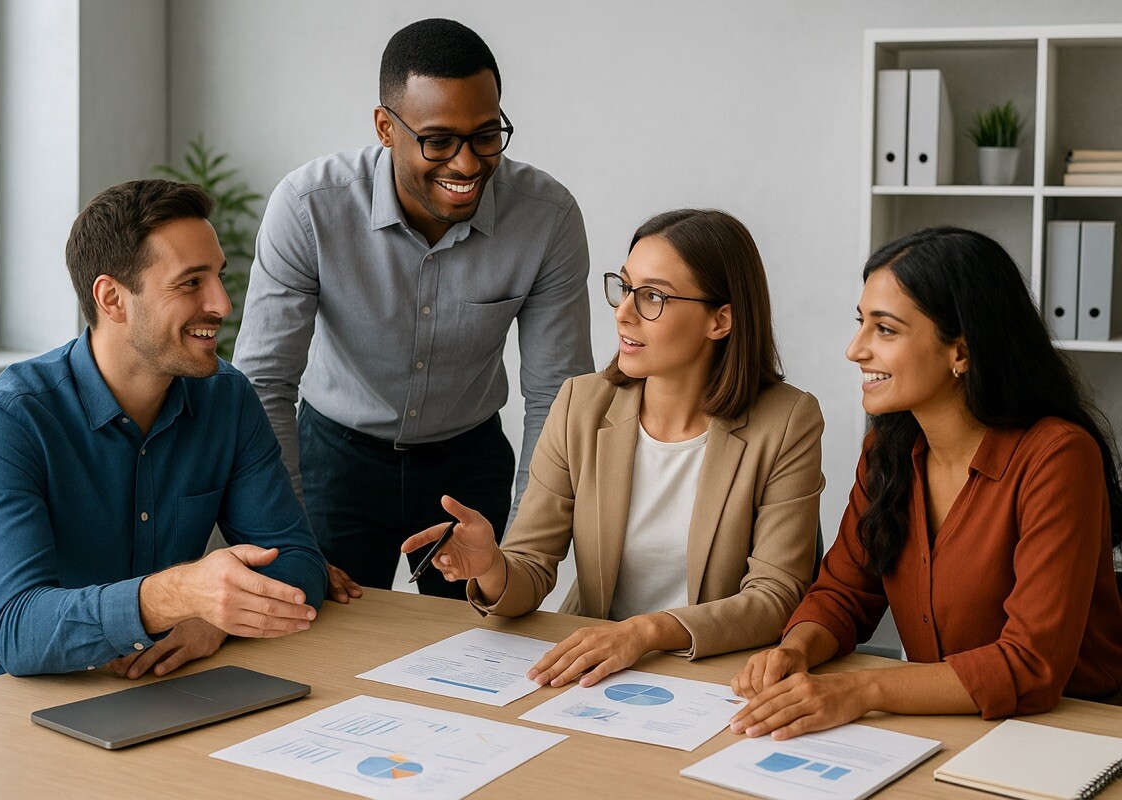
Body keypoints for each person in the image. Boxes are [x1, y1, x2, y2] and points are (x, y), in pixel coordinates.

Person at [232, 18, 593, 603]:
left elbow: (558, 395)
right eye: (439, 141)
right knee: (323, 631)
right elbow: (263, 382)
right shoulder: (308, 207)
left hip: (468, 463)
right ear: (385, 127)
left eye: (485, 135)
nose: (467, 164)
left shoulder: (547, 218)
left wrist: (521, 551)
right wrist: (291, 539)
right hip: (336, 461)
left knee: (479, 641)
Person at [0, 180, 330, 696]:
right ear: (112, 299)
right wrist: (179, 594)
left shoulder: (226, 398)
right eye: (191, 283)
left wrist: (212, 620)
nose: (223, 304)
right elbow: (19, 632)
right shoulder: (6, 421)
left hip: (139, 684)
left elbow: (297, 559)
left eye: (219, 277)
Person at [402, 209, 824, 688]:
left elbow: (775, 596)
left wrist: (645, 632)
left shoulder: (788, 421)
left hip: (715, 673)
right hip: (595, 668)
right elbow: (531, 566)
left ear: (720, 320)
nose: (623, 312)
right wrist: (491, 566)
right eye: (624, 288)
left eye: (653, 297)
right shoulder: (580, 404)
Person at [730, 227, 1122, 741]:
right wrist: (795, 650)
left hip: (1070, 733)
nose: (855, 349)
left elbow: (1031, 664)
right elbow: (844, 594)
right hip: (946, 725)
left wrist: (861, 691)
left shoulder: (1058, 456)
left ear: (961, 350)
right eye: (861, 323)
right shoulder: (887, 450)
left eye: (885, 330)